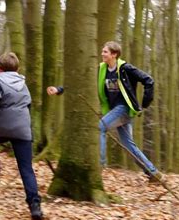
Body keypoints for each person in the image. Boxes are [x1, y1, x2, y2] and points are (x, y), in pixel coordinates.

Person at [47, 41, 163, 183]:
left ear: (114, 54)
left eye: (105, 52)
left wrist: (144, 103)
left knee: (100, 127)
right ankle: (153, 173)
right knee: (128, 144)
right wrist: (59, 89)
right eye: (102, 51)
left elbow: (148, 80)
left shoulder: (126, 68)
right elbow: (81, 81)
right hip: (115, 110)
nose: (102, 54)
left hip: (124, 109)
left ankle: (99, 165)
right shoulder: (102, 69)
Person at [0, 52, 43, 220]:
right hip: (23, 131)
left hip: (2, 128)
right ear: (17, 69)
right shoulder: (23, 84)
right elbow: (28, 105)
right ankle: (35, 205)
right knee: (26, 169)